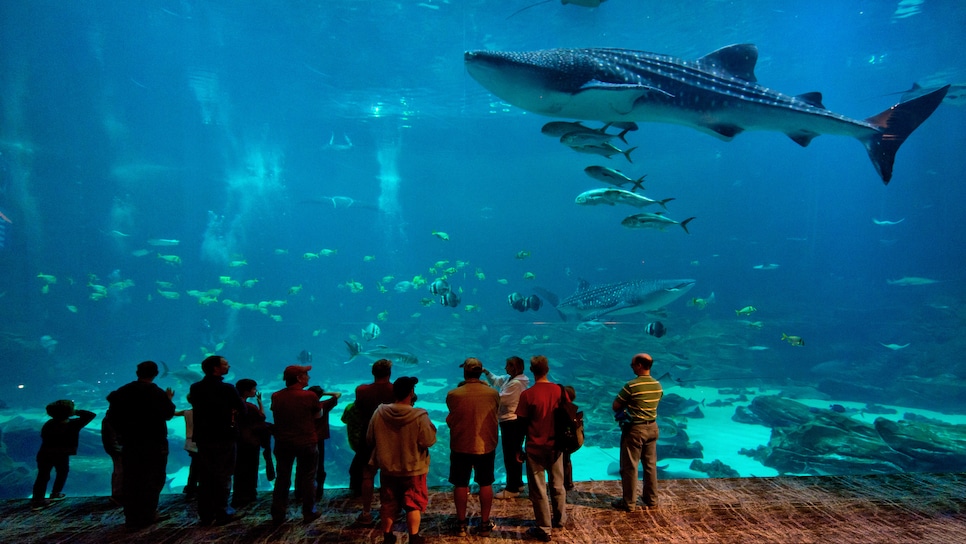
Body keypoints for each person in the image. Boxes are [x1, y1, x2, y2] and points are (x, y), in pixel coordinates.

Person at [106, 360, 175, 529]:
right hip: (154, 443)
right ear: (156, 373)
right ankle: (148, 514)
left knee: (131, 479)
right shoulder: (157, 392)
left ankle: (131, 516)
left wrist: (123, 434)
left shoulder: (123, 392)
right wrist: (168, 399)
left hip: (131, 443)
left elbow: (112, 417)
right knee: (154, 478)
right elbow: (168, 414)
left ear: (137, 373)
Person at [368, 376, 436, 544]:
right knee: (413, 504)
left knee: (388, 503)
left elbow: (370, 438)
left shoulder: (379, 412)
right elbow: (428, 441)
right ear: (411, 393)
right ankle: (414, 538)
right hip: (413, 469)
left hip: (388, 468)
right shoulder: (419, 415)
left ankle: (388, 537)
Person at [515, 355, 567, 542]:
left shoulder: (527, 395)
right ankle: (560, 519)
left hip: (535, 448)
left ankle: (544, 528)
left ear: (532, 370)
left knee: (538, 490)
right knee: (557, 485)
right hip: (556, 446)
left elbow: (521, 424)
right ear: (548, 369)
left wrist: (518, 448)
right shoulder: (560, 390)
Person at [189, 355, 246, 526]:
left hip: (204, 438)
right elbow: (242, 409)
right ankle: (222, 511)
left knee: (206, 476)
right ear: (216, 368)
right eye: (225, 364)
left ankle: (205, 513)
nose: (228, 365)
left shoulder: (195, 387)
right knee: (223, 474)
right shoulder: (227, 388)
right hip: (224, 437)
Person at [446, 358, 500, 537]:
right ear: (480, 371)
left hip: (461, 444)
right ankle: (484, 524)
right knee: (486, 483)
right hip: (485, 445)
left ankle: (461, 524)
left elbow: (452, 417)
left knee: (460, 484)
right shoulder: (492, 394)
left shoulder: (454, 394)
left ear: (465, 372)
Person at [270, 364, 322, 525]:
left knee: (282, 478)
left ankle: (278, 514)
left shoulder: (276, 396)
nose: (309, 377)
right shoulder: (309, 396)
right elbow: (318, 415)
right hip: (306, 441)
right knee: (308, 477)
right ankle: (309, 512)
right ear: (299, 378)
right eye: (306, 374)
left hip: (283, 442)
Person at [612, 352, 663, 511]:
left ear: (640, 365)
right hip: (653, 428)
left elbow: (616, 405)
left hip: (635, 430)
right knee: (650, 466)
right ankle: (651, 499)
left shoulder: (631, 385)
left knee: (630, 467)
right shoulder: (657, 385)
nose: (631, 366)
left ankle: (629, 503)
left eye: (633, 364)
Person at [347, 358, 394, 526]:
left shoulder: (361, 390)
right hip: (390, 437)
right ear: (389, 373)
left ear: (373, 373)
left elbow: (358, 411)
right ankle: (389, 510)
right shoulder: (395, 390)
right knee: (389, 476)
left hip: (369, 436)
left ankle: (366, 511)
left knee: (367, 475)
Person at [30, 399, 96, 510]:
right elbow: (90, 415)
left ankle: (38, 499)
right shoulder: (73, 424)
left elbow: (44, 436)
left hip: (45, 453)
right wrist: (75, 412)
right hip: (61, 454)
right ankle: (55, 494)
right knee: (62, 472)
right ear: (69, 412)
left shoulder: (49, 423)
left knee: (43, 476)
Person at [483, 355, 529, 499]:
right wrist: (486, 372)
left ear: (514, 368)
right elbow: (496, 380)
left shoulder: (516, 383)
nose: (505, 368)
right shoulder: (511, 379)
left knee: (511, 455)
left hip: (512, 421)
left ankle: (512, 488)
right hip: (510, 421)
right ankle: (518, 482)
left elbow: (501, 398)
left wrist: (483, 390)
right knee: (515, 453)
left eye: (508, 365)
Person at [233, 378, 272, 508]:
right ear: (246, 391)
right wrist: (260, 402)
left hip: (237, 441)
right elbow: (262, 417)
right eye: (254, 389)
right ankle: (249, 494)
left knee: (239, 469)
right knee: (250, 469)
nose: (255, 391)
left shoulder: (232, 405)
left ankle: (238, 495)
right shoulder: (249, 406)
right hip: (250, 442)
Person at [305, 384, 341, 501]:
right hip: (319, 438)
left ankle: (301, 492)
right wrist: (324, 394)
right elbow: (338, 394)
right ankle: (318, 492)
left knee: (304, 465)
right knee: (319, 465)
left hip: (305, 438)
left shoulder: (303, 406)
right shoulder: (323, 405)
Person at [173, 404, 199, 500]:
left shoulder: (187, 412)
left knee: (194, 466)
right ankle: (193, 489)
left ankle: (191, 488)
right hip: (199, 443)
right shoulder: (205, 413)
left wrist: (169, 401)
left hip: (189, 443)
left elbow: (173, 412)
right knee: (200, 466)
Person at [100, 412, 123, 507]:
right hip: (119, 450)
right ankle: (118, 497)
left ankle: (119, 496)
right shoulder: (113, 418)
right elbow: (111, 438)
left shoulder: (112, 417)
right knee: (121, 472)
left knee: (120, 472)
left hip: (120, 449)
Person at [562, 385, 577, 492]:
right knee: (567, 460)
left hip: (564, 439)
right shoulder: (573, 408)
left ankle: (565, 483)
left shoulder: (564, 409)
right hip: (571, 439)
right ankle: (569, 483)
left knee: (564, 460)